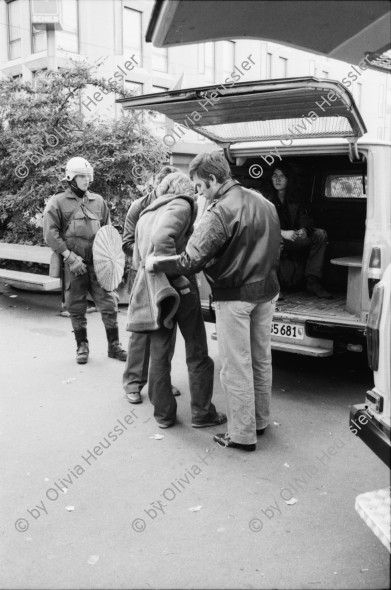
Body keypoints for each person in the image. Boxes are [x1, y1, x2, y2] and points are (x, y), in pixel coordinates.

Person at [146, 152, 280, 451]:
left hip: (235, 297)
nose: (199, 192)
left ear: (214, 179)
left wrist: (157, 263)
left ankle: (242, 435)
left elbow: (189, 260)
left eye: (200, 186)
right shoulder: (264, 202)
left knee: (236, 367)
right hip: (267, 291)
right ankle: (259, 421)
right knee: (261, 360)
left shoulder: (220, 211)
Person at [131, 171, 226, 429]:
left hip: (154, 289)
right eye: (194, 189)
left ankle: (164, 416)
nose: (197, 193)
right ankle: (202, 413)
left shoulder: (147, 212)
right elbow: (164, 238)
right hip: (177, 288)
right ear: (183, 189)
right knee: (197, 351)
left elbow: (138, 258)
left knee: (160, 352)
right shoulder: (182, 203)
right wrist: (179, 277)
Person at [43, 157, 127, 364]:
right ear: (71, 177)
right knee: (76, 306)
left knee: (109, 304)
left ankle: (114, 346)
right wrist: (70, 259)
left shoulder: (98, 202)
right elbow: (50, 235)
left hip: (99, 265)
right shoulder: (58, 202)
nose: (87, 180)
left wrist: (109, 261)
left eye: (88, 176)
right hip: (74, 265)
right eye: (82, 176)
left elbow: (108, 231)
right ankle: (82, 346)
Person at [122, 165, 181, 404]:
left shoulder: (175, 207)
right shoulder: (138, 207)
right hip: (142, 276)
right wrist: (147, 254)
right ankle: (133, 383)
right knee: (140, 332)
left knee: (166, 329)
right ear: (157, 184)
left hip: (167, 277)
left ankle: (161, 379)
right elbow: (126, 243)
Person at [269, 163, 332, 298]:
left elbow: (305, 217)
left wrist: (304, 229)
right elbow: (260, 225)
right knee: (272, 241)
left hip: (292, 239)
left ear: (289, 179)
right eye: (275, 176)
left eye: (282, 176)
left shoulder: (295, 197)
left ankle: (313, 282)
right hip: (273, 240)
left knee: (320, 234)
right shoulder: (266, 198)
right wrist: (282, 233)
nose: (278, 179)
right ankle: (273, 287)